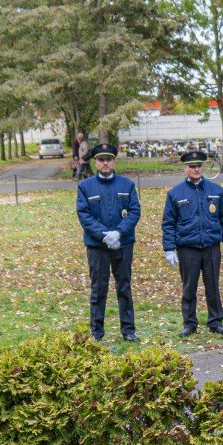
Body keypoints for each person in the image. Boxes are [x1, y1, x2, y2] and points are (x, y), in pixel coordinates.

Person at [161, 150, 223, 337]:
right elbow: (168, 222)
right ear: (185, 168)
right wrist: (169, 248)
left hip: (210, 246)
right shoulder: (175, 193)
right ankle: (189, 323)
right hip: (187, 247)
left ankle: (216, 321)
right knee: (189, 287)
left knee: (212, 286)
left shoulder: (216, 190)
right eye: (192, 166)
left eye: (199, 165)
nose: (196, 169)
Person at [75, 144, 140, 342]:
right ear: (95, 162)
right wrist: (104, 235)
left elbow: (135, 211)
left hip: (123, 244)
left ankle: (128, 330)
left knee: (124, 287)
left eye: (109, 159)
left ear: (114, 161)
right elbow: (84, 215)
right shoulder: (85, 187)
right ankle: (97, 331)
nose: (105, 163)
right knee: (98, 288)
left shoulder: (126, 185)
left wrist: (119, 233)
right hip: (98, 246)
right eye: (101, 160)